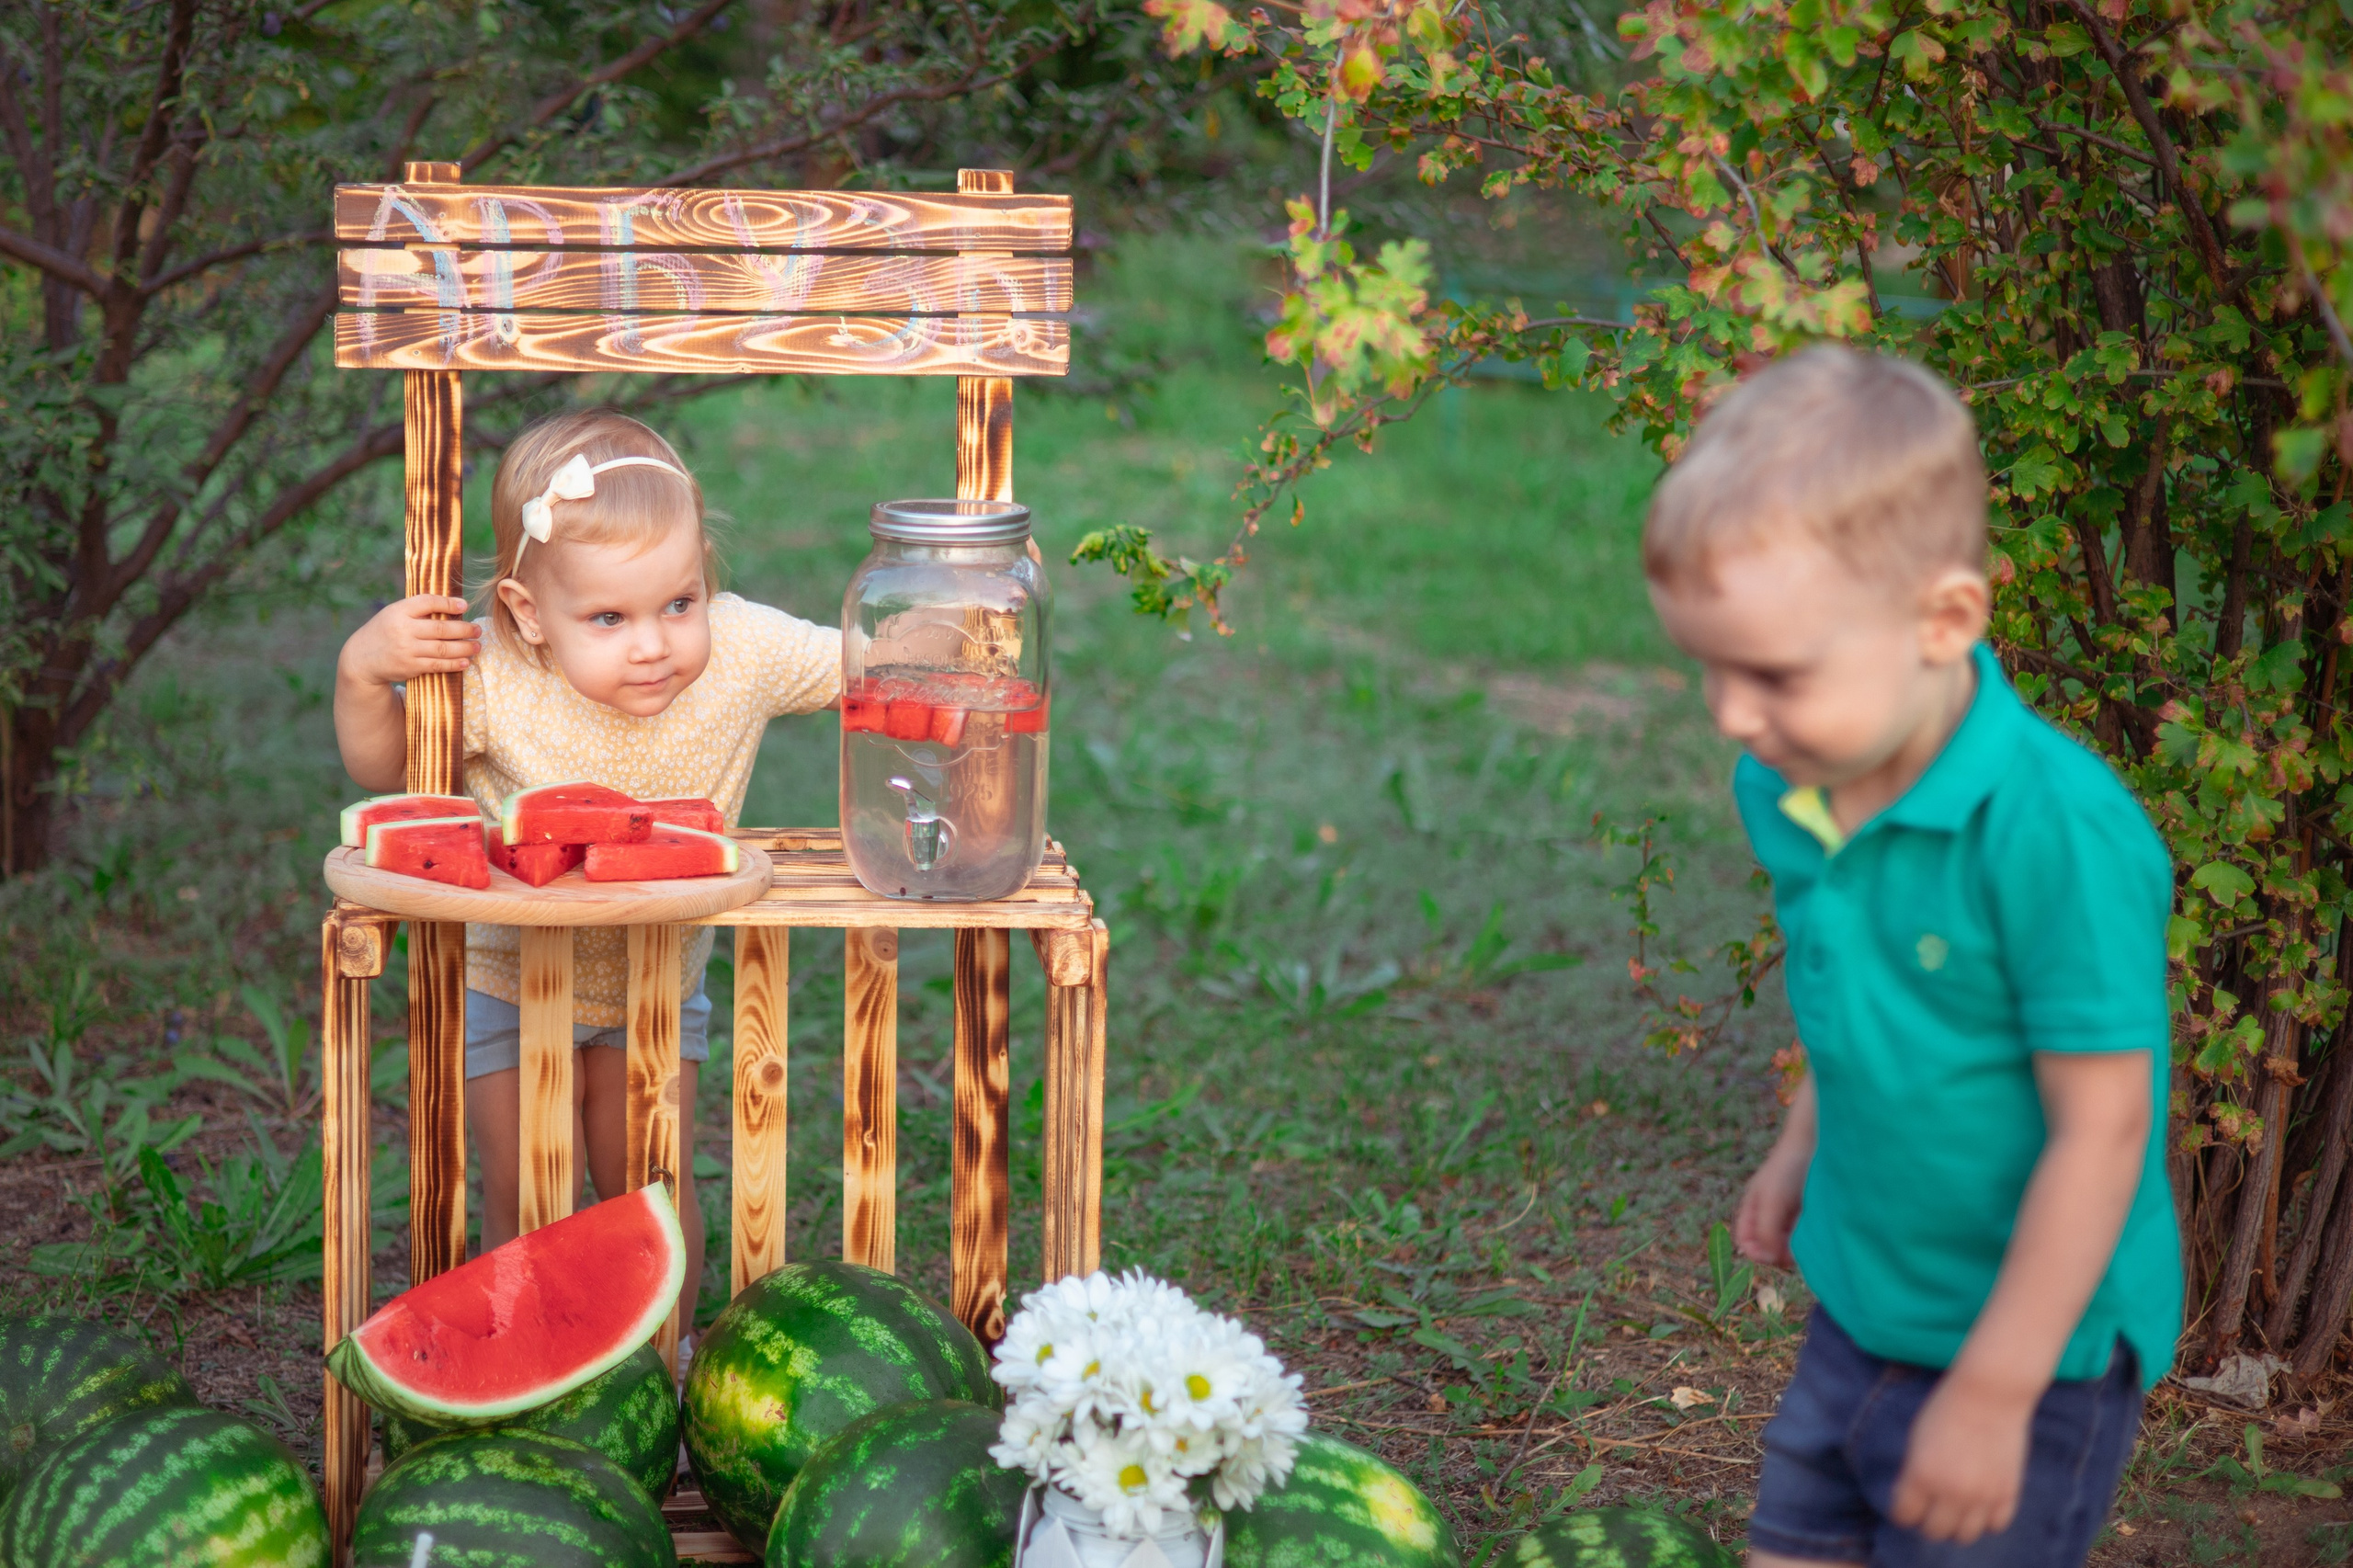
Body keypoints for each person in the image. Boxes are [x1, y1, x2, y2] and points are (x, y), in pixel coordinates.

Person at [1643, 347, 2180, 1567]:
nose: (1730, 713)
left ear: (1943, 621)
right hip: (1865, 1303)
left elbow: (2104, 1130)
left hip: (2033, 1354)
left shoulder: (2057, 835)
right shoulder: (1789, 782)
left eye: (1773, 673)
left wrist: (1993, 1392)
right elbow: (1864, 991)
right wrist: (1802, 1139)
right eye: (1708, 665)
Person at [334, 408, 839, 1337]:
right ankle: (528, 1363)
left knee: (652, 1191)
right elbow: (386, 766)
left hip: (660, 987)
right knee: (530, 1189)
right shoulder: (491, 673)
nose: (652, 644)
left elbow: (867, 659)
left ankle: (664, 1361)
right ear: (529, 614)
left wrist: (955, 611)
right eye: (609, 617)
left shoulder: (742, 649)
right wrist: (363, 674)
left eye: (678, 603)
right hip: (510, 986)